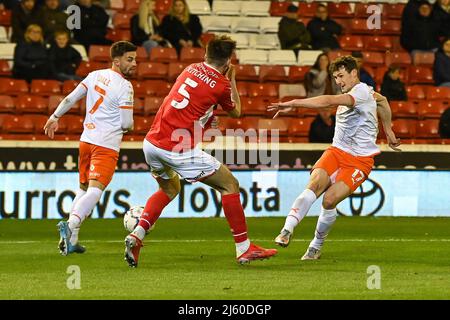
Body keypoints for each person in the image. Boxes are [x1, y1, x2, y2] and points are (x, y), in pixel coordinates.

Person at [123, 35, 278, 268]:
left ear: (205, 55)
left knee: (170, 188)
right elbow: (236, 113)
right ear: (228, 62)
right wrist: (231, 79)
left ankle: (137, 235)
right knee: (230, 185)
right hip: (177, 148)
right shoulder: (222, 84)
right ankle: (244, 248)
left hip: (152, 143)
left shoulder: (191, 68)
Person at [267, 56, 401, 260]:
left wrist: (294, 103)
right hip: (337, 151)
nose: (338, 81)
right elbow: (382, 101)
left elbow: (328, 101)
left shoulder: (361, 92)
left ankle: (316, 245)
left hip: (360, 160)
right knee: (314, 184)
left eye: (341, 76)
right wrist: (388, 130)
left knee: (329, 201)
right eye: (335, 77)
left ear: (353, 73)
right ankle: (287, 229)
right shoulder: (366, 92)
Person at [43, 41, 136, 256]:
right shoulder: (125, 86)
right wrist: (130, 127)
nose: (134, 64)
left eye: (135, 60)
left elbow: (70, 98)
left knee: (83, 189)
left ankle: (71, 241)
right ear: (116, 61)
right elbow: (126, 124)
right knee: (95, 191)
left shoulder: (94, 75)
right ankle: (71, 225)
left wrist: (55, 116)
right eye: (129, 59)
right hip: (106, 145)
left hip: (86, 141)